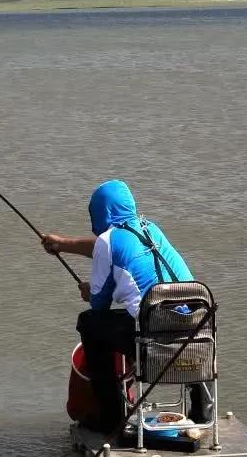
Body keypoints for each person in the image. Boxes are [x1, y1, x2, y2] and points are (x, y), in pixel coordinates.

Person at [40, 179, 211, 434]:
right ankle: (201, 409)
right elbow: (109, 249)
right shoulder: (150, 229)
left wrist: (89, 291)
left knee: (90, 324)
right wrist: (63, 244)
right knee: (167, 318)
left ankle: (111, 418)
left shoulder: (109, 240)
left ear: (101, 212)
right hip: (194, 329)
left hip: (152, 336)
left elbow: (99, 302)